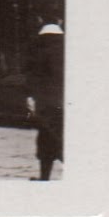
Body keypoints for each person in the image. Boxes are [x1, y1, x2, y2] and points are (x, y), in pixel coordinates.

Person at [25, 21, 65, 180]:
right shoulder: (68, 52)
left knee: (47, 141)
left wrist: (31, 97)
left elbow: (33, 79)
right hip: (64, 103)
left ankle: (44, 177)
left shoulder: (39, 54)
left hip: (47, 104)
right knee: (60, 139)